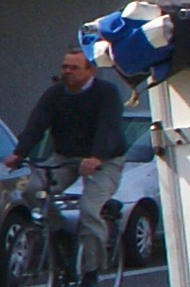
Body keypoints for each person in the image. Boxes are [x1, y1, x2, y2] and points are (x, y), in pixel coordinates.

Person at [14, 47, 125, 273]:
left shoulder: (106, 93)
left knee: (88, 209)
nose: (68, 72)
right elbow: (37, 124)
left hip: (105, 159)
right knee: (33, 190)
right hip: (66, 156)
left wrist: (95, 157)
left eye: (74, 68)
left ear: (90, 71)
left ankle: (92, 271)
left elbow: (108, 127)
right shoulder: (55, 94)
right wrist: (18, 153)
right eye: (65, 67)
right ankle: (58, 231)